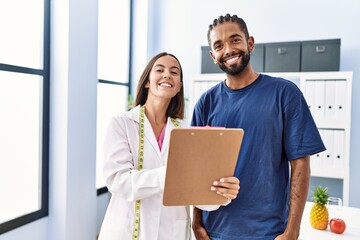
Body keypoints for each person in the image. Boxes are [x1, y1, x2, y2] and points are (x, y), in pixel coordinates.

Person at [191, 14, 326, 240]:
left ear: (250, 43)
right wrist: (197, 224)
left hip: (268, 233)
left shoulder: (285, 94)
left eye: (235, 40)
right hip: (214, 232)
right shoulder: (206, 103)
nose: (229, 49)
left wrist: (292, 231)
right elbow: (195, 169)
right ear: (213, 56)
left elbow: (301, 165)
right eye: (219, 45)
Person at [98, 52, 240, 240]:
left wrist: (221, 194)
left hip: (170, 232)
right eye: (160, 70)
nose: (167, 75)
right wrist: (170, 175)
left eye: (174, 72)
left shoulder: (186, 132)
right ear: (147, 81)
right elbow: (117, 180)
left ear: (179, 86)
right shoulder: (121, 123)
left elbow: (194, 192)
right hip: (127, 230)